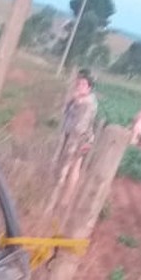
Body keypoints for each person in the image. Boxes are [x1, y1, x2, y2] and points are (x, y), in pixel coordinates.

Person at [51, 72, 98, 213]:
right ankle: (63, 200)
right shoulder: (79, 99)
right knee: (73, 168)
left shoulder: (88, 103)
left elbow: (79, 127)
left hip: (78, 139)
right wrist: (73, 100)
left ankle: (57, 201)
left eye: (83, 84)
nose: (79, 86)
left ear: (89, 88)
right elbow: (64, 111)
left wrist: (76, 101)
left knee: (67, 167)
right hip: (75, 137)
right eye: (78, 83)